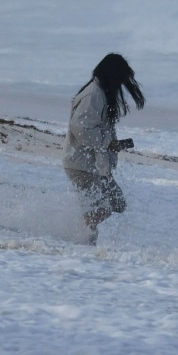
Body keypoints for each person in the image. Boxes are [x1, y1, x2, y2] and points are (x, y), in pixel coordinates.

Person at [63, 53, 144, 244]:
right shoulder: (93, 94)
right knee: (101, 209)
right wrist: (107, 143)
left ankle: (83, 236)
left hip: (95, 165)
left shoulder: (100, 93)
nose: (121, 86)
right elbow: (80, 127)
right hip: (80, 164)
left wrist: (108, 148)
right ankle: (81, 241)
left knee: (117, 202)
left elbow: (93, 129)